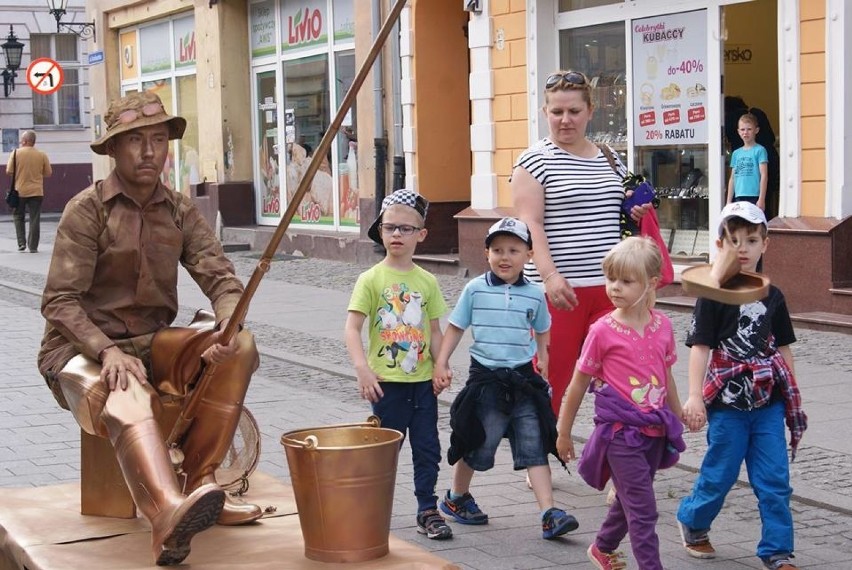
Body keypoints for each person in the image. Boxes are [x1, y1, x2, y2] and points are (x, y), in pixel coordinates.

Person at [37, 92, 262, 566]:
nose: (148, 151)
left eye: (158, 139)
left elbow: (220, 277)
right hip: (78, 350)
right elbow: (59, 302)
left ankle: (202, 484)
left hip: (151, 344)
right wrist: (107, 351)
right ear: (113, 150)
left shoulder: (180, 210)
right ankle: (165, 515)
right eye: (134, 140)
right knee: (127, 387)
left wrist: (226, 323)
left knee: (241, 344)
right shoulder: (87, 210)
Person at [512, 70, 652, 417]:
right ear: (545, 113)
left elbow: (619, 210)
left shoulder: (609, 156)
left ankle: (619, 447)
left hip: (611, 290)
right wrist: (549, 276)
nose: (565, 120)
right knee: (553, 375)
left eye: (574, 111)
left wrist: (634, 208)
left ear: (590, 111)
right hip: (560, 291)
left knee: (621, 373)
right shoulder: (534, 161)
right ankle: (540, 450)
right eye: (556, 112)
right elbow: (531, 223)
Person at [677, 202, 807, 570]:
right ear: (720, 245)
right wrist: (694, 397)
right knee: (720, 475)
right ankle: (693, 520)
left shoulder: (774, 295)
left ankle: (777, 551)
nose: (743, 249)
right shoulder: (713, 294)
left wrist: (792, 395)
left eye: (751, 240)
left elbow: (783, 347)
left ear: (765, 244)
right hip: (727, 407)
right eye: (734, 241)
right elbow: (700, 348)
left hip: (768, 404)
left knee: (774, 481)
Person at [434, 217, 579, 540]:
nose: (505, 256)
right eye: (497, 249)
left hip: (524, 382)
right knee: (477, 441)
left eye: (514, 249)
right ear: (486, 254)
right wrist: (441, 362)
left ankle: (549, 513)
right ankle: (457, 498)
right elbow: (456, 327)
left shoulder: (535, 294)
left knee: (535, 442)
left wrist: (543, 358)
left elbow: (542, 329)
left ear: (529, 255)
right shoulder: (475, 289)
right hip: (486, 380)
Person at [555, 236, 687, 570]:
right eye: (610, 278)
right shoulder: (602, 330)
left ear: (652, 284)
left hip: (655, 432)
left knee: (629, 500)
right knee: (644, 510)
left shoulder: (664, 326)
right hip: (620, 434)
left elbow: (667, 375)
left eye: (626, 281)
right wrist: (564, 432)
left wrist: (678, 415)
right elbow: (577, 383)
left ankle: (603, 547)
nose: (614, 287)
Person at [344, 189, 453, 541]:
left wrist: (441, 365)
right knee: (382, 454)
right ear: (380, 231)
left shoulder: (427, 282)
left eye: (406, 229)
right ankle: (368, 511)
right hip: (386, 384)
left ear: (421, 235)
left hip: (422, 386)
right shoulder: (371, 279)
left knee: (427, 450)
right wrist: (362, 368)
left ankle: (427, 510)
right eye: (389, 227)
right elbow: (352, 327)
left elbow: (435, 331)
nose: (396, 235)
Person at [6, 130, 52, 253]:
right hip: (37, 191)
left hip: (19, 191)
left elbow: (9, 171)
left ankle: (21, 243)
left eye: (22, 140)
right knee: (34, 218)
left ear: (25, 141)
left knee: (18, 216)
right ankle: (33, 246)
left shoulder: (15, 153)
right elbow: (48, 173)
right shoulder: (42, 155)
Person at [726, 113, 768, 211]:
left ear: (756, 130)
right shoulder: (736, 153)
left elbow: (764, 175)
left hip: (754, 196)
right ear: (738, 131)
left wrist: (761, 199)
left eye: (749, 129)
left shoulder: (760, 150)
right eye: (742, 129)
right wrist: (728, 201)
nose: (745, 132)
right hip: (739, 195)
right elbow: (732, 178)